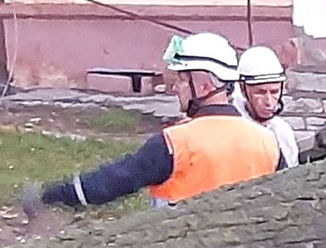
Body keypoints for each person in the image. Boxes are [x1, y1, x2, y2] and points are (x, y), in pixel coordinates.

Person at [23, 32, 281, 215]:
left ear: (204, 85)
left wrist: (53, 195)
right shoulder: (268, 142)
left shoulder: (175, 143)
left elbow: (111, 182)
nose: (176, 88)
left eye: (182, 79)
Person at [237, 45, 300, 168]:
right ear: (242, 88)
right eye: (260, 92)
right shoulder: (232, 128)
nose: (269, 102)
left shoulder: (283, 132)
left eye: (274, 92)